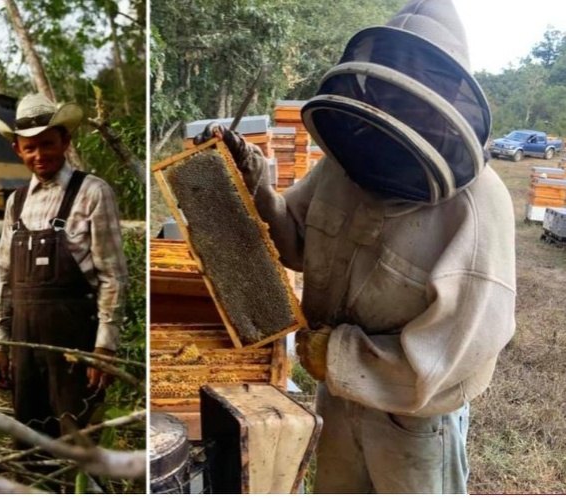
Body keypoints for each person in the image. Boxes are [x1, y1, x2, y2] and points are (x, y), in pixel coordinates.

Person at [195, 0, 515, 493]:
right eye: (393, 73)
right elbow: (298, 242)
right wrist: (251, 181)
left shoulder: (475, 204)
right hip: (336, 398)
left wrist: (342, 356)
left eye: (416, 74)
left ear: (446, 88)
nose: (398, 90)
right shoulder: (347, 162)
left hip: (410, 418)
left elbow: (456, 351)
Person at [0, 93, 127, 443]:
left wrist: (104, 348)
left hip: (76, 344)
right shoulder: (15, 203)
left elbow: (112, 276)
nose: (39, 155)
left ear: (65, 141)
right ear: (17, 150)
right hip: (25, 345)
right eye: (29, 148)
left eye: (47, 144)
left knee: (78, 439)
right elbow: (5, 279)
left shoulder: (93, 193)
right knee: (30, 441)